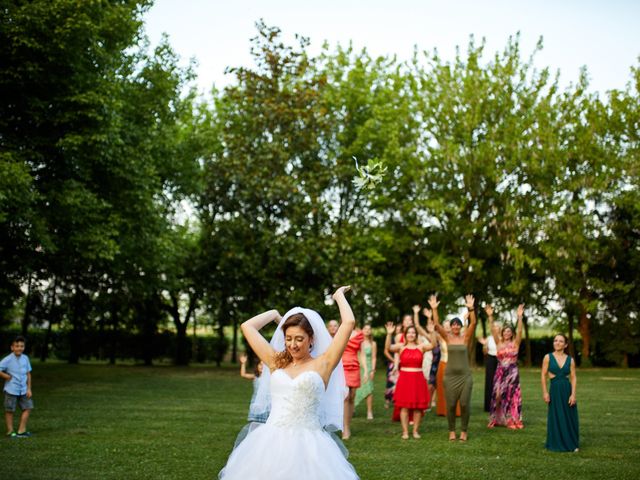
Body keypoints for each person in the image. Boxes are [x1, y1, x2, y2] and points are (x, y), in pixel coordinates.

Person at [218, 286, 359, 479]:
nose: (293, 345)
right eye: (288, 338)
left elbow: (348, 322)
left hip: (311, 445)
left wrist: (339, 297)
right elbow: (247, 326)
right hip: (269, 441)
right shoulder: (276, 361)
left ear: (311, 339)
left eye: (299, 339)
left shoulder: (324, 364)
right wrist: (276, 315)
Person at [430, 294, 476, 442]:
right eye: (453, 324)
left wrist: (471, 308)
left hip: (465, 377)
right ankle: (451, 430)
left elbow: (473, 323)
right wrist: (434, 309)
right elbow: (436, 325)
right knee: (450, 405)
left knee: (464, 404)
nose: (455, 326)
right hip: (449, 377)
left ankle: (463, 430)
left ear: (461, 326)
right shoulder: (447, 338)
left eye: (458, 324)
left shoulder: (466, 338)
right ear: (450, 326)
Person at [385, 323, 435, 439]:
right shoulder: (401, 347)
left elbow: (433, 344)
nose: (411, 335)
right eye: (409, 333)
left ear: (416, 335)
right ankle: (405, 431)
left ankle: (415, 431)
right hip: (405, 379)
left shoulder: (421, 347)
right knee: (404, 407)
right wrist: (389, 334)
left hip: (418, 379)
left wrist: (432, 332)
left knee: (418, 407)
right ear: (405, 335)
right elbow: (388, 348)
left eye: (413, 333)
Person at [488, 304, 525, 429]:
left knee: (511, 395)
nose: (507, 333)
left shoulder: (516, 343)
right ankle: (496, 418)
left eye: (509, 331)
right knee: (497, 395)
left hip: (512, 372)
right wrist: (490, 316)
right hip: (500, 371)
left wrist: (519, 317)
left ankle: (512, 419)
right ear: (502, 333)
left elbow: (520, 331)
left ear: (512, 333)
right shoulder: (498, 343)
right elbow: (493, 330)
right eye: (505, 331)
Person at [541, 334, 579, 452]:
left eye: (561, 341)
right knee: (556, 416)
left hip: (566, 390)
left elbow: (573, 377)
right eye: (555, 340)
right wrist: (545, 392)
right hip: (555, 390)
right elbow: (543, 375)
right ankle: (555, 442)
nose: (557, 343)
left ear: (565, 345)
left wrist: (573, 394)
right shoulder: (547, 357)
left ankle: (572, 444)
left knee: (569, 417)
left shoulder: (570, 360)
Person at [0, 336, 33, 438]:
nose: (19, 348)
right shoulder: (7, 359)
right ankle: (10, 431)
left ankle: (21, 430)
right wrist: (5, 376)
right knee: (10, 410)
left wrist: (29, 388)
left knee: (28, 407)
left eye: (22, 346)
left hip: (23, 389)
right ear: (12, 347)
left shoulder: (25, 358)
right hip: (11, 389)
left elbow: (28, 374)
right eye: (17, 346)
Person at [341, 325, 366, 439]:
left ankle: (348, 424)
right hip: (342, 367)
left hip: (354, 366)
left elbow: (362, 354)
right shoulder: (341, 331)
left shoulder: (359, 334)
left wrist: (365, 370)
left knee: (352, 396)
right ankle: (345, 427)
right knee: (345, 396)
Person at [478, 305, 499, 412]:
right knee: (490, 381)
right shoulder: (489, 338)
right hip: (490, 359)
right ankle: (488, 405)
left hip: (500, 359)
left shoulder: (501, 338)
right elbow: (484, 352)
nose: (495, 328)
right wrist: (484, 346)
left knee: (499, 382)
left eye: (497, 327)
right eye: (494, 327)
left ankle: (500, 404)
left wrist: (490, 316)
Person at [355, 323, 377, 420]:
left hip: (368, 367)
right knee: (354, 389)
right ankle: (351, 408)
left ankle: (369, 411)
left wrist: (372, 370)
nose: (367, 330)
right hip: (357, 367)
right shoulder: (357, 342)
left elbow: (374, 357)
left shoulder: (373, 344)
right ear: (362, 330)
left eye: (369, 329)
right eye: (365, 328)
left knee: (369, 390)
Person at [383, 323, 401, 408]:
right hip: (392, 363)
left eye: (400, 330)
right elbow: (386, 351)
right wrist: (394, 361)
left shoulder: (403, 340)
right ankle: (387, 400)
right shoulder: (391, 339)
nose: (398, 331)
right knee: (390, 382)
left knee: (399, 383)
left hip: (402, 363)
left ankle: (396, 399)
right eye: (397, 329)